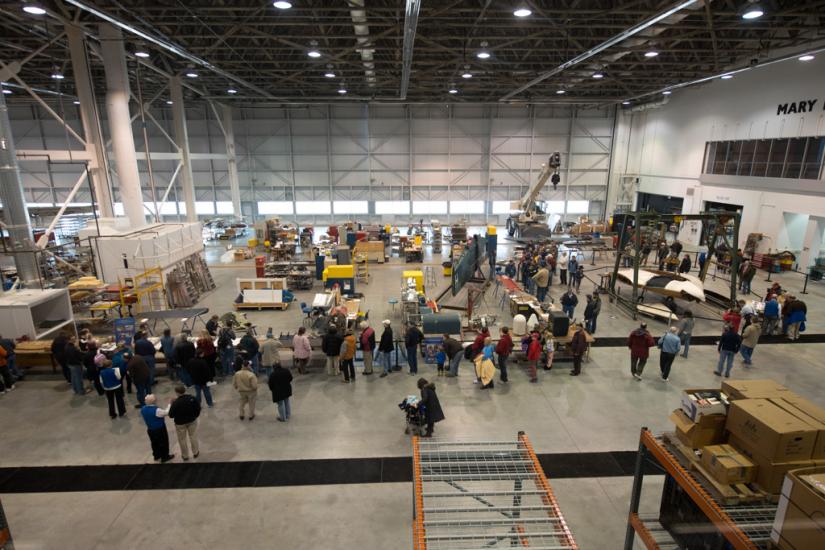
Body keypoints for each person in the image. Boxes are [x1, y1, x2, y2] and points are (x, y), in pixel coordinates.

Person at [168, 385, 200, 461]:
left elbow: (171, 415)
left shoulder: (176, 403)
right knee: (193, 436)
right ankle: (195, 452)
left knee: (182, 439)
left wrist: (171, 404)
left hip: (180, 423)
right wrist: (195, 416)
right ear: (184, 390)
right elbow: (198, 408)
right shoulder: (192, 398)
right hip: (192, 421)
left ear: (177, 393)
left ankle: (185, 456)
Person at [141, 394, 174, 463]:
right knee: (163, 443)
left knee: (154, 443)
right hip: (159, 429)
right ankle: (165, 457)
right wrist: (169, 404)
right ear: (154, 401)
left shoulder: (143, 409)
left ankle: (156, 455)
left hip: (150, 429)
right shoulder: (156, 410)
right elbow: (166, 412)